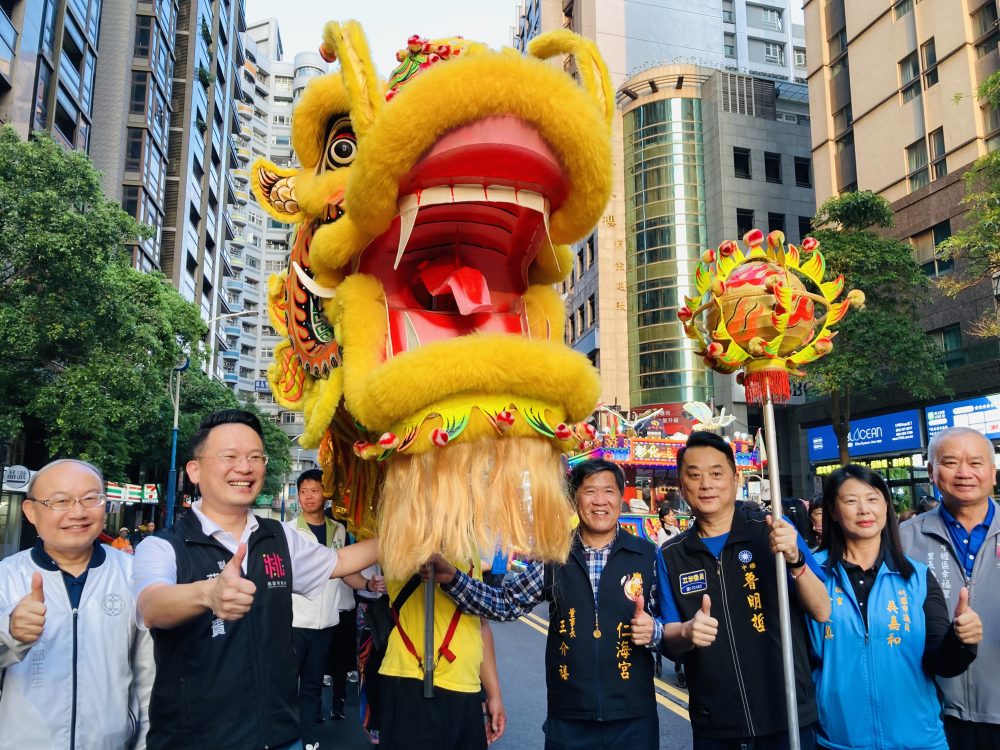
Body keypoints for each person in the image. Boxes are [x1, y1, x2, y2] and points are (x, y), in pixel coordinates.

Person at [133, 409, 378, 750]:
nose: (244, 468)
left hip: (278, 736)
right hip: (195, 740)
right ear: (195, 470)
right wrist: (208, 592)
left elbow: (339, 561)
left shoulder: (278, 537)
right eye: (229, 457)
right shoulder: (163, 547)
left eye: (254, 457)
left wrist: (404, 532)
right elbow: (152, 605)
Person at [434, 458, 662, 750]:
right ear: (573, 499)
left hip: (634, 721)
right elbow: (506, 603)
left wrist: (654, 630)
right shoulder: (555, 556)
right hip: (569, 720)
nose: (600, 501)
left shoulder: (647, 555)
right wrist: (453, 578)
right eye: (589, 491)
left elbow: (672, 630)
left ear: (620, 497)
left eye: (609, 491)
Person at [656, 431, 831, 750]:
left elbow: (822, 610)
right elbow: (669, 637)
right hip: (717, 724)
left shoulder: (773, 532)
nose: (706, 484)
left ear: (735, 479)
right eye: (694, 475)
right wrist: (687, 631)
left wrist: (795, 559)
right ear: (681, 485)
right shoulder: (671, 554)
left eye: (716, 473)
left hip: (788, 713)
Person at [810, 464, 981, 750]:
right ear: (833, 511)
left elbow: (940, 662)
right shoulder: (811, 576)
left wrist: (962, 641)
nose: (864, 509)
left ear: (886, 506)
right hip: (838, 740)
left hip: (918, 740)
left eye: (873, 499)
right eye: (851, 501)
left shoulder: (917, 576)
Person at [0, 459, 153, 749]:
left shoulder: (135, 576)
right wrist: (10, 630)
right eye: (60, 501)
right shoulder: (5, 577)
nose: (78, 512)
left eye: (90, 498)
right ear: (30, 511)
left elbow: (149, 677)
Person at [900, 427, 1000, 750]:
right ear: (931, 472)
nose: (964, 473)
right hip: (936, 715)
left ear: (993, 472)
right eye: (951, 462)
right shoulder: (904, 539)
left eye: (975, 462)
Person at [377, 556, 507, 750]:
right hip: (410, 680)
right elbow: (343, 561)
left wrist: (494, 694)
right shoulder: (402, 539)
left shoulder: (468, 548)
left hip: (466, 687)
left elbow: (480, 624)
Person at [283, 468, 346, 746]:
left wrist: (369, 586)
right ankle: (282, 737)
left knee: (312, 685)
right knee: (286, 684)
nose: (308, 497)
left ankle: (307, 738)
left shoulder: (339, 531)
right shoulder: (287, 531)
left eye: (315, 491)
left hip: (326, 623)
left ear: (326, 495)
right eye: (303, 491)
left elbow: (344, 569)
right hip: (296, 622)